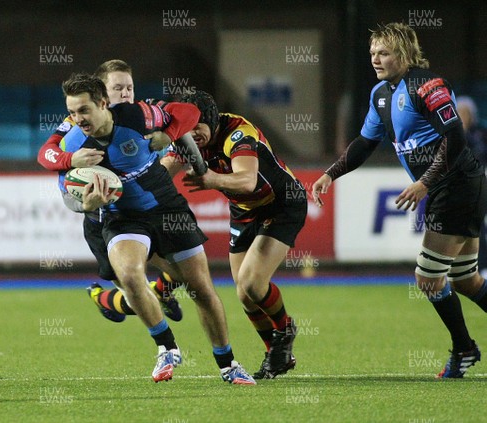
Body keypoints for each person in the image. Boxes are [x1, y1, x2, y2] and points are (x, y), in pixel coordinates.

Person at [49, 73, 256, 384]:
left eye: (84, 110)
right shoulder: (75, 145)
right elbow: (68, 191)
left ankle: (227, 363)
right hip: (123, 217)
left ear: (103, 104)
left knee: (200, 289)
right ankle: (166, 347)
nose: (78, 119)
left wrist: (169, 132)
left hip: (167, 206)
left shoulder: (137, 116)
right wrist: (87, 203)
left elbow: (188, 113)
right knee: (130, 276)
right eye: (73, 112)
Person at [312, 23, 486, 378]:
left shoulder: (428, 85)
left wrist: (423, 183)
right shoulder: (380, 94)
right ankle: (465, 348)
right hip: (447, 189)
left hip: (457, 186)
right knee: (466, 280)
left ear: (404, 55)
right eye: (373, 52)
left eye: (384, 52)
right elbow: (364, 143)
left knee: (428, 278)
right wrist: (331, 173)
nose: (376, 58)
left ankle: (465, 349)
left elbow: (455, 137)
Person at [161, 90, 306, 379]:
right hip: (244, 210)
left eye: (197, 125)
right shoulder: (186, 139)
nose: (191, 134)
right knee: (244, 293)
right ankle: (276, 356)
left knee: (252, 283)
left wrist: (212, 179)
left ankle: (285, 328)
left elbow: (248, 180)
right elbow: (161, 174)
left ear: (212, 119)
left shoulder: (237, 134)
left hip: (282, 204)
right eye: (186, 127)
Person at [38, 61, 183, 324]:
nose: (126, 93)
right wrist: (71, 160)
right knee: (134, 298)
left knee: (182, 270)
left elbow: (185, 116)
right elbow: (46, 154)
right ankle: (102, 298)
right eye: (118, 88)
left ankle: (161, 293)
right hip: (103, 222)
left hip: (142, 211)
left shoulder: (143, 112)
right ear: (102, 96)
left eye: (130, 87)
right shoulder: (76, 122)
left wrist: (172, 138)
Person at [457, 96, 487, 277]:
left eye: (465, 113)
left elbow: (478, 156)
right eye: (459, 113)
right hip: (459, 190)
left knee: (479, 230)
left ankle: (483, 267)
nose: (462, 117)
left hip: (478, 188)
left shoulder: (479, 134)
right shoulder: (451, 135)